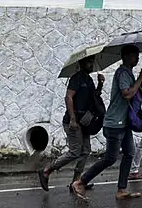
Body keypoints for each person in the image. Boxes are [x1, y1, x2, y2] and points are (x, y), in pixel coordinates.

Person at [71, 45, 142, 201]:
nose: (137, 58)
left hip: (123, 123)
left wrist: (141, 81)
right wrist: (140, 79)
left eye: (137, 55)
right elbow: (127, 94)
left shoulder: (128, 73)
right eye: (134, 55)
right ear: (125, 57)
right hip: (114, 123)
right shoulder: (122, 73)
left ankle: (121, 190)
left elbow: (132, 92)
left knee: (129, 153)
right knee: (110, 158)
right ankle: (80, 182)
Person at [38, 55, 104, 192]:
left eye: (92, 61)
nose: (91, 64)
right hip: (73, 121)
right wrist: (73, 119)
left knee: (85, 151)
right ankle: (47, 170)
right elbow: (68, 97)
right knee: (75, 151)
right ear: (82, 63)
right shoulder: (77, 78)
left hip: (85, 122)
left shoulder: (89, 79)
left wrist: (100, 84)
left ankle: (76, 182)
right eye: (88, 61)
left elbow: (94, 96)